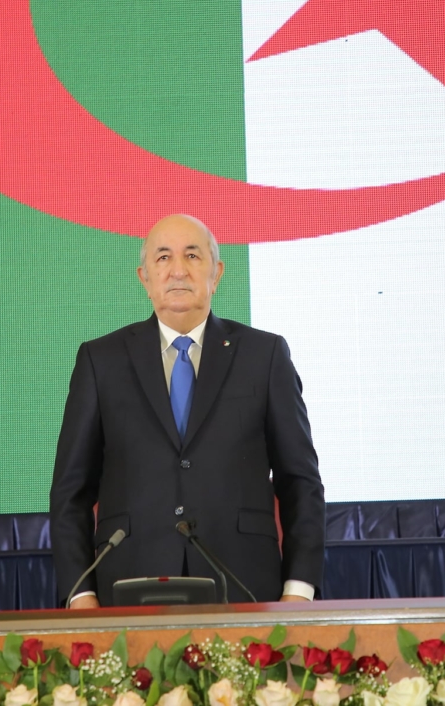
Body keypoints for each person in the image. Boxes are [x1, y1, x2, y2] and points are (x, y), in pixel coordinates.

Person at [49, 214, 325, 607]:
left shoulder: (264, 355)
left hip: (245, 583)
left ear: (217, 273)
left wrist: (299, 589)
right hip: (127, 581)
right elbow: (70, 492)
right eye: (163, 258)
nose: (178, 270)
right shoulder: (101, 360)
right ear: (145, 278)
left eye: (193, 255)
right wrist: (81, 594)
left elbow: (300, 481)